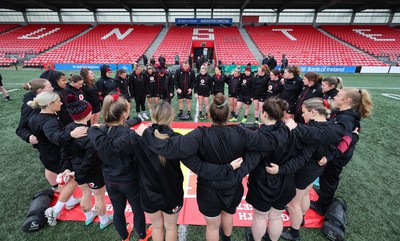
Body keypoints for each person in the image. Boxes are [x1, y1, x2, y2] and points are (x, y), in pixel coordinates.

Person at [139, 93, 295, 241]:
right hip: (232, 186)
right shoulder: (240, 132)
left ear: (209, 114)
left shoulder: (200, 135)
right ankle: (227, 238)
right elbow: (266, 143)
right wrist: (285, 128)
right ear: (227, 115)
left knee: (213, 227)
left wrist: (147, 134)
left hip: (209, 191)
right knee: (228, 215)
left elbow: (175, 149)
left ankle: (225, 236)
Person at [90, 101, 243, 241]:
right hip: (171, 193)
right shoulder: (177, 139)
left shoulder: (137, 138)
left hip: (149, 192)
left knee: (157, 227)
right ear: (171, 118)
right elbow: (197, 165)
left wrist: (95, 130)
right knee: (170, 227)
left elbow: (109, 146)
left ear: (153, 117)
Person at [247, 98, 346, 241]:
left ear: (264, 114)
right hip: (286, 181)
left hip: (264, 182)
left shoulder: (259, 135)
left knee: (260, 217)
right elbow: (303, 158)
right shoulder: (299, 132)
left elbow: (250, 160)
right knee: (275, 217)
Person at [88, 93, 151, 241]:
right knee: (137, 209)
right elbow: (141, 158)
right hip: (129, 179)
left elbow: (111, 129)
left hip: (110, 178)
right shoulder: (130, 136)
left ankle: (124, 236)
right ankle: (142, 235)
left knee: (118, 210)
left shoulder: (99, 132)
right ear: (124, 114)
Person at [45, 94, 112, 229]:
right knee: (98, 197)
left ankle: (88, 217)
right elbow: (90, 159)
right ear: (88, 114)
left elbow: (64, 149)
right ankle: (104, 220)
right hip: (91, 171)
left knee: (85, 194)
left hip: (75, 169)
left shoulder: (68, 129)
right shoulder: (90, 134)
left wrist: (68, 169)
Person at [279, 98, 340, 241]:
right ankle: (302, 219)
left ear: (313, 112)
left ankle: (294, 233)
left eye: (304, 112)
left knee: (294, 203)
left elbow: (303, 155)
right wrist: (327, 156)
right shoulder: (331, 126)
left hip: (306, 170)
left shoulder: (312, 131)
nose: (302, 115)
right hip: (317, 169)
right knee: (305, 194)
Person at [310, 88, 373, 216]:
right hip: (336, 154)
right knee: (326, 177)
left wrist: (329, 157)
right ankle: (323, 196)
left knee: (329, 178)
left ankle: (322, 206)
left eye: (338, 95)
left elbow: (346, 142)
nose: (335, 96)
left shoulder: (346, 118)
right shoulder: (343, 113)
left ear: (347, 100)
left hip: (338, 156)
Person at [27, 92, 85, 211]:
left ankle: (69, 200)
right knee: (71, 179)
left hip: (46, 153)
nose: (62, 103)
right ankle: (60, 207)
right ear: (50, 104)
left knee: (61, 176)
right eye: (59, 101)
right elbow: (55, 137)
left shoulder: (36, 117)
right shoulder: (49, 121)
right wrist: (71, 134)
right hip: (55, 155)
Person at [16, 78, 53, 144]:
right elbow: (21, 129)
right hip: (46, 143)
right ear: (40, 90)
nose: (52, 88)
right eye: (50, 87)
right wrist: (29, 136)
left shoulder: (48, 99)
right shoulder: (30, 107)